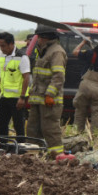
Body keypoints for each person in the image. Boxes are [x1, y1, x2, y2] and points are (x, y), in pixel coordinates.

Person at [26, 25, 67, 153]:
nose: (37, 40)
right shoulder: (42, 51)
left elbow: (58, 76)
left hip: (49, 101)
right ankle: (33, 156)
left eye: (38, 37)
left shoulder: (56, 52)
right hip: (38, 99)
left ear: (45, 38)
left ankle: (57, 157)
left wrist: (50, 94)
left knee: (50, 130)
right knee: (32, 129)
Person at [0, 32, 31, 139]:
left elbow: (26, 78)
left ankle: (21, 148)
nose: (1, 48)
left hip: (17, 98)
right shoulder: (3, 56)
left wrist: (22, 97)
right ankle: (3, 147)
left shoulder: (22, 57)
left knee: (18, 125)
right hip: (4, 97)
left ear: (11, 44)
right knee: (2, 124)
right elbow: (3, 77)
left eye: (3, 45)